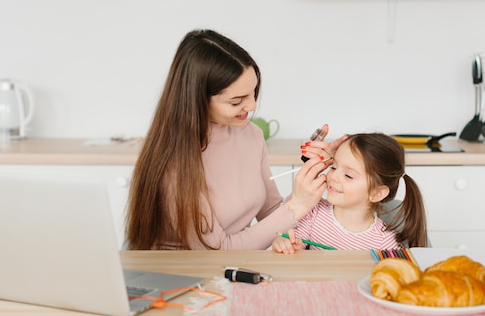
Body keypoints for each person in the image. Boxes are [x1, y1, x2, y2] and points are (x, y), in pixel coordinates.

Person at [125, 29, 344, 250]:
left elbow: (272, 213)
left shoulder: (251, 135)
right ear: (198, 100)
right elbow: (219, 251)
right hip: (182, 276)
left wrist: (313, 175)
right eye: (236, 101)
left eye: (254, 92)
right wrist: (297, 205)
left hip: (230, 270)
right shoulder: (174, 161)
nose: (251, 106)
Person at [272, 133, 428, 254]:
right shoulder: (314, 212)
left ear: (376, 193)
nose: (333, 176)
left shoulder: (385, 243)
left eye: (348, 175)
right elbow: (293, 244)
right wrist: (286, 244)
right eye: (333, 167)